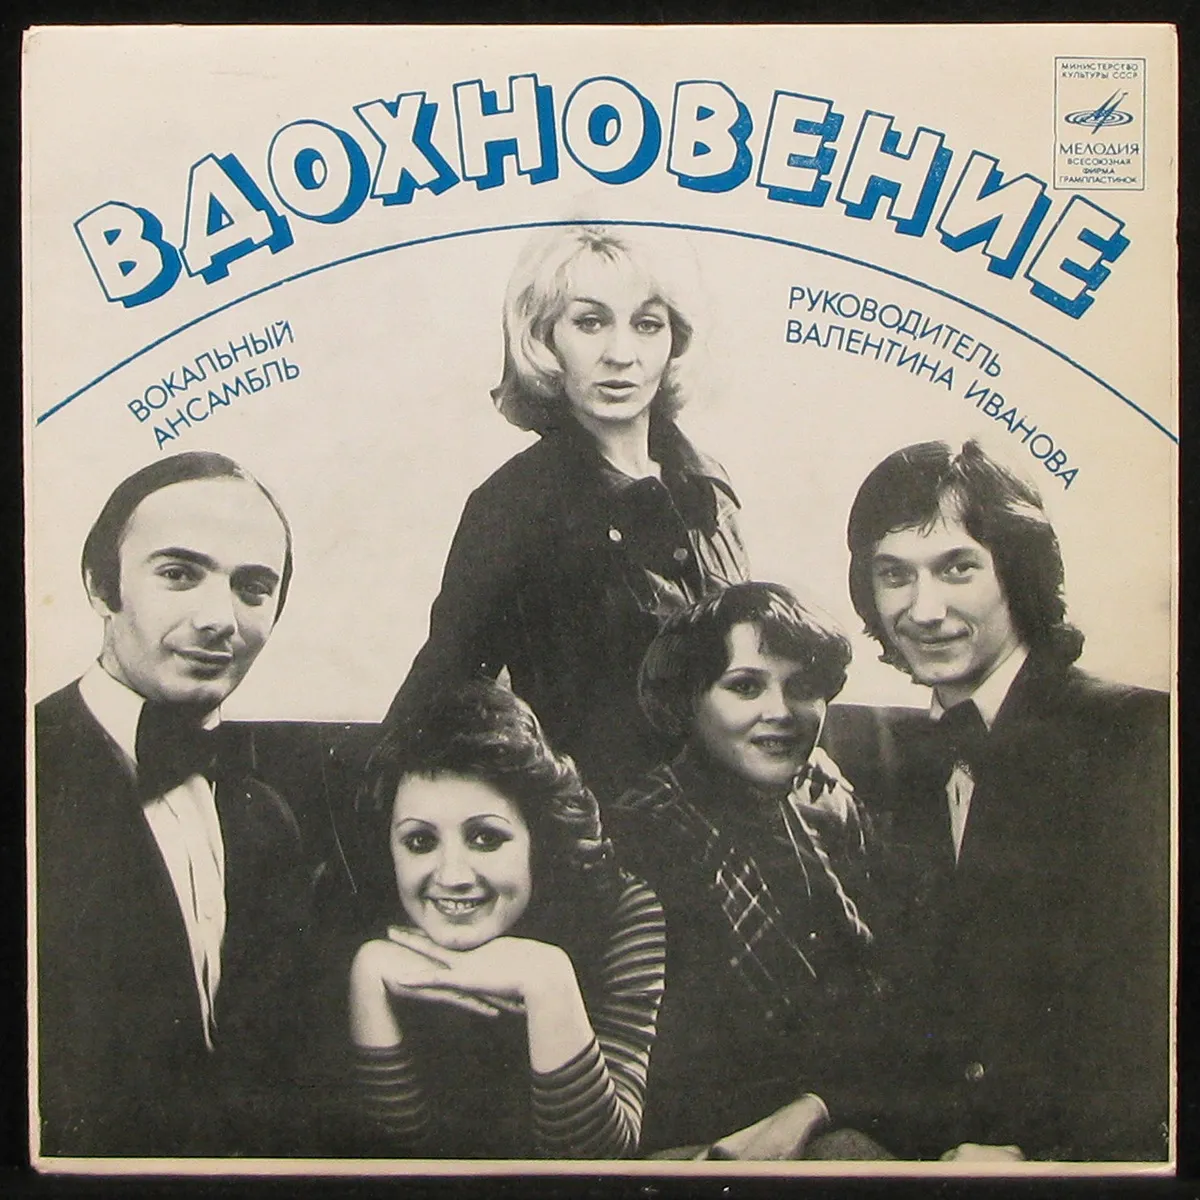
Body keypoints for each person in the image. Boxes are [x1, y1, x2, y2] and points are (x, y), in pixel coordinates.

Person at [844, 438, 1170, 1162]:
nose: (924, 609)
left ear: (1019, 572)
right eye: (894, 575)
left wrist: (1047, 1164)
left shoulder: (1138, 737)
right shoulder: (899, 762)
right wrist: (818, 1106)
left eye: (957, 568)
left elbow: (1155, 1022)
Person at [383, 225, 748, 802]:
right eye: (590, 322)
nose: (621, 354)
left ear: (674, 341)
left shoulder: (709, 489)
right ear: (544, 339)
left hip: (737, 821)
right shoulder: (515, 504)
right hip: (601, 830)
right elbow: (437, 697)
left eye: (647, 324)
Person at [34, 451, 313, 1157]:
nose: (220, 620)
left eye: (253, 588)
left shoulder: (267, 819)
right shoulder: (30, 772)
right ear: (101, 586)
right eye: (179, 574)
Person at [608, 582, 880, 1157]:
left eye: (802, 688)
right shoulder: (640, 835)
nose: (780, 712)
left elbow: (881, 997)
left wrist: (817, 1107)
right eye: (745, 686)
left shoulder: (828, 805)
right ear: (689, 700)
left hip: (829, 1108)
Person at [349, 680, 666, 1159]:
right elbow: (391, 1166)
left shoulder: (623, 911)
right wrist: (367, 978)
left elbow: (602, 1164)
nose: (452, 876)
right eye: (420, 842)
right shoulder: (363, 925)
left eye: (486, 838)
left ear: (539, 838)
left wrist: (546, 980)